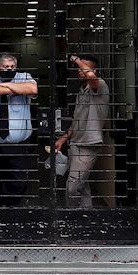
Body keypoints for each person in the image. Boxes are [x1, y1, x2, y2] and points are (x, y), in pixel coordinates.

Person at [0, 53, 38, 205]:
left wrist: (4, 86)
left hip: (18, 144)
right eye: (5, 67)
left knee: (18, 181)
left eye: (12, 67)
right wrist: (16, 89)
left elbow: (32, 88)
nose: (9, 69)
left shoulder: (24, 76)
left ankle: (11, 207)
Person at [54, 54, 111, 208]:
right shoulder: (83, 89)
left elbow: (91, 76)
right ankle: (86, 216)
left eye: (84, 68)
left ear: (94, 70)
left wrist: (77, 60)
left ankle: (72, 218)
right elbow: (77, 119)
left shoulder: (100, 86)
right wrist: (64, 138)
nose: (80, 71)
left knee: (72, 186)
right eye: (79, 68)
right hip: (76, 143)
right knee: (82, 185)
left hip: (89, 144)